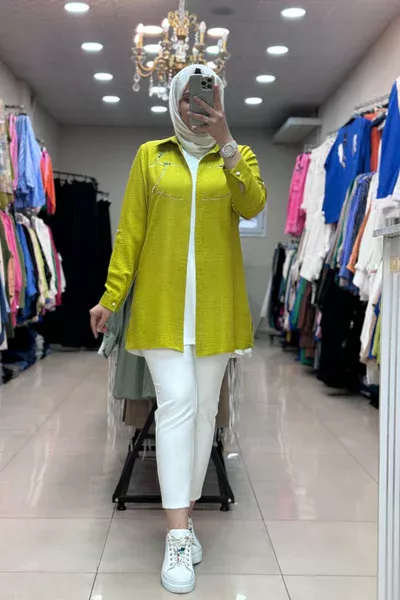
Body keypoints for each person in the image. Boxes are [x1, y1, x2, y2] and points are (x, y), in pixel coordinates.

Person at [90, 64, 266, 594]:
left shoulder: (237, 156)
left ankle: (185, 522)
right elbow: (130, 233)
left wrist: (226, 140)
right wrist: (110, 297)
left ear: (220, 101)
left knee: (204, 415)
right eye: (188, 98)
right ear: (174, 100)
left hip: (215, 313)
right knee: (179, 405)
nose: (196, 106)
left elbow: (253, 204)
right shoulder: (152, 156)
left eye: (206, 97)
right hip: (162, 310)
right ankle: (175, 536)